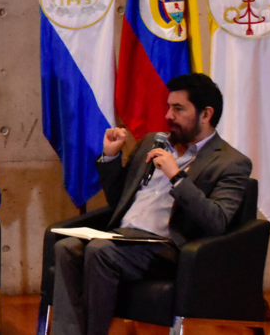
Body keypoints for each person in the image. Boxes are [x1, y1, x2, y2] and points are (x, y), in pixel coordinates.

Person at [51, 72, 252, 335]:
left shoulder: (231, 162)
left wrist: (176, 177)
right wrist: (110, 157)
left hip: (166, 249)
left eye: (179, 109)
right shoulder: (153, 142)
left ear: (206, 114)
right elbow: (119, 200)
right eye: (169, 107)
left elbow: (217, 221)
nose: (168, 115)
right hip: (122, 237)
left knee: (100, 251)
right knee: (66, 247)